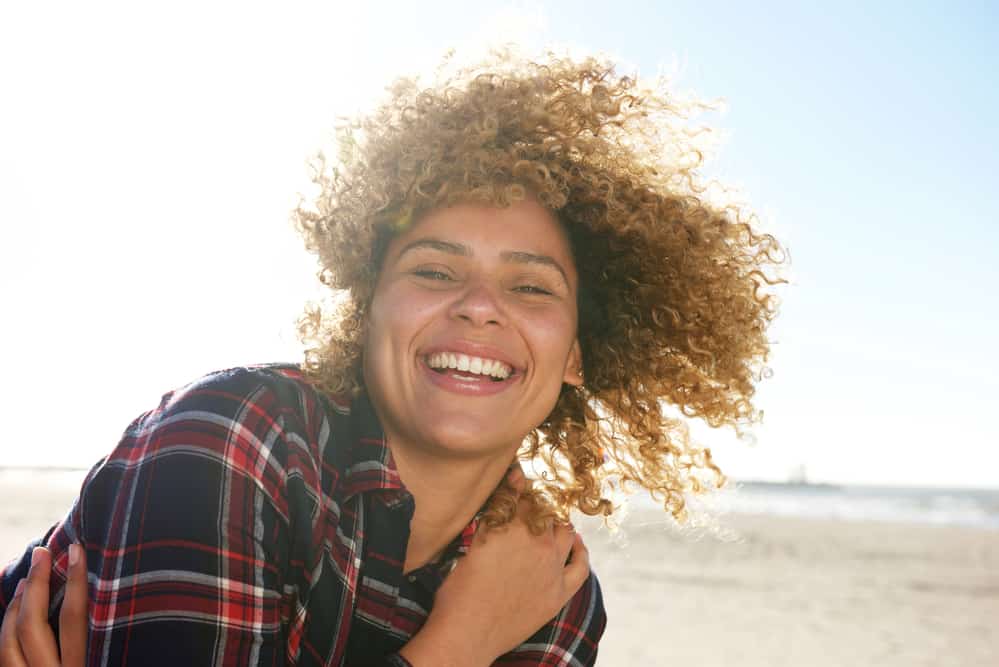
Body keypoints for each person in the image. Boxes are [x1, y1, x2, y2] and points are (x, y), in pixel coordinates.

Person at [0, 49, 784, 665]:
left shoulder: (550, 586)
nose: (480, 305)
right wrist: (460, 643)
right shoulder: (238, 440)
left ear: (580, 353)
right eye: (434, 272)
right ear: (365, 306)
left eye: (531, 287)